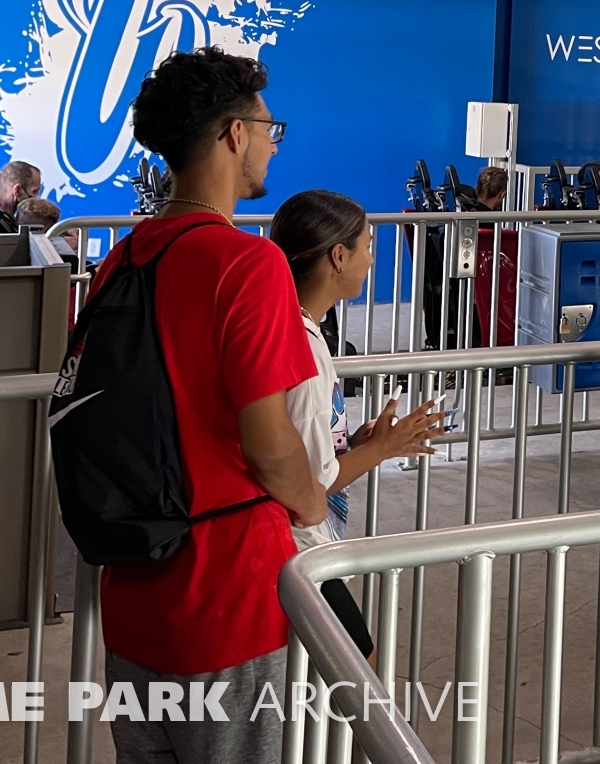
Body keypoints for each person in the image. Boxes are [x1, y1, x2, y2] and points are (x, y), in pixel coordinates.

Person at [91, 46, 325, 764]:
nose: (272, 145)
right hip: (228, 595)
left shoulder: (122, 259)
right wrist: (312, 502)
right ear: (233, 134)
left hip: (134, 587)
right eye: (268, 129)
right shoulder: (248, 264)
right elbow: (270, 445)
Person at [270, 190, 447, 663]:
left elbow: (299, 443)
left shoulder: (288, 326)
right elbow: (312, 482)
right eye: (367, 246)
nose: (371, 260)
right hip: (299, 550)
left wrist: (356, 443)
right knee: (359, 677)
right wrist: (382, 448)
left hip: (296, 545)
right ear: (338, 256)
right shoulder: (305, 349)